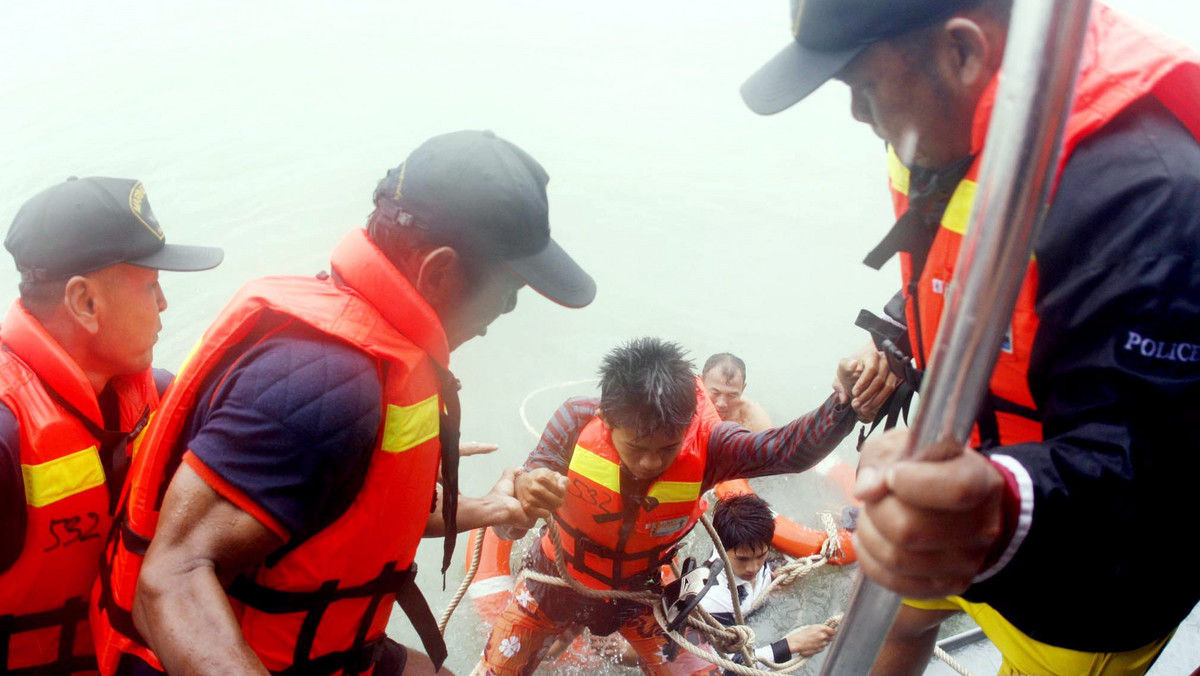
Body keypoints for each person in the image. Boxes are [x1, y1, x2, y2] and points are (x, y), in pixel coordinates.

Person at [741, 0, 1200, 674]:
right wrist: (897, 340)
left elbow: (1162, 467)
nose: (858, 116)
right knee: (889, 624)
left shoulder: (1151, 199)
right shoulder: (946, 117)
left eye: (864, 87)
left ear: (963, 52)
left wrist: (994, 505)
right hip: (954, 482)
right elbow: (959, 256)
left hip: (1083, 573)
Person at [88, 130, 597, 676]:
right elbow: (173, 576)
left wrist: (486, 509)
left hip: (335, 648)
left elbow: (336, 510)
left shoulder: (372, 351)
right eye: (509, 290)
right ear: (440, 270)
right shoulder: (323, 385)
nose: (506, 311)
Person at [474, 337, 893, 676]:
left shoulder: (710, 445)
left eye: (668, 448)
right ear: (607, 420)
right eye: (637, 447)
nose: (651, 463)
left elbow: (788, 451)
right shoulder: (574, 420)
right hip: (553, 580)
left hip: (641, 596)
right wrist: (526, 496)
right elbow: (511, 525)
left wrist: (843, 401)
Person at [0, 176, 223, 675]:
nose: (164, 304)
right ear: (85, 303)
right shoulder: (6, 438)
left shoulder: (155, 395)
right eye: (150, 284)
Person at [699, 494, 835, 664]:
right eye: (742, 559)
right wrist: (791, 644)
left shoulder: (757, 553)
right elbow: (730, 668)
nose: (753, 567)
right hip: (735, 624)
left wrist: (778, 580)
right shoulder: (712, 597)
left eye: (761, 556)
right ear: (720, 548)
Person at [700, 353, 772, 433]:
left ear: (743, 388)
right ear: (701, 382)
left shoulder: (755, 419)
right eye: (715, 393)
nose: (721, 404)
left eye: (731, 395)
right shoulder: (688, 409)